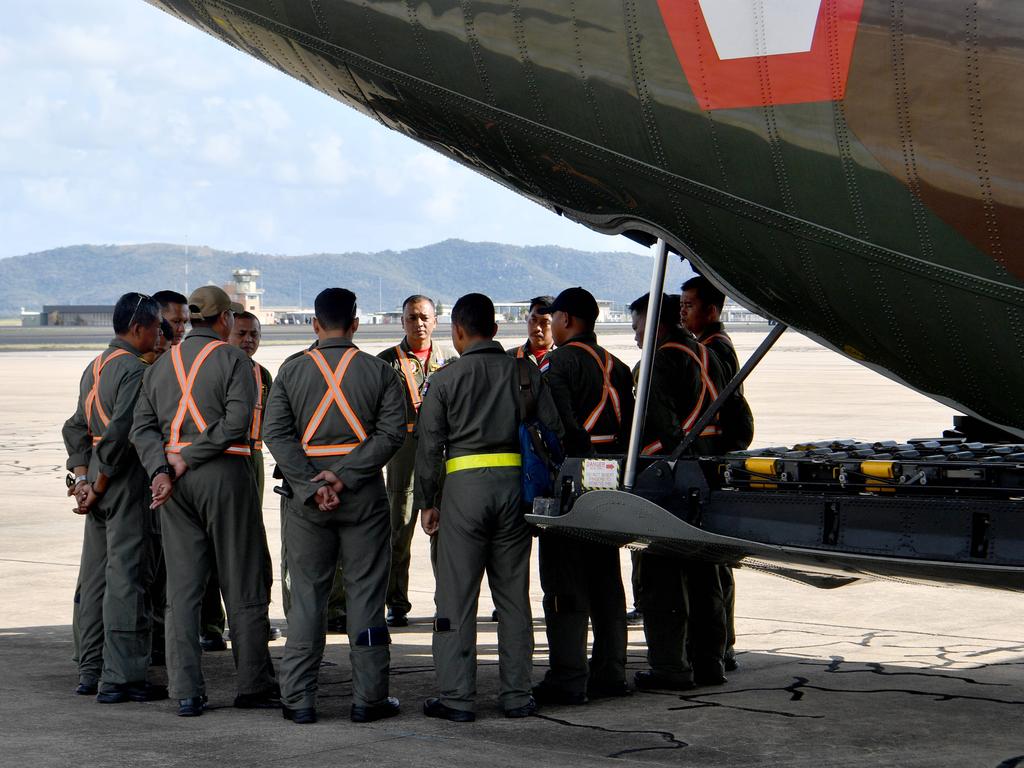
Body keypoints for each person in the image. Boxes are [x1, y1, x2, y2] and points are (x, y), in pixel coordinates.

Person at [131, 285, 278, 717]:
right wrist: (189, 459)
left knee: (182, 591)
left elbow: (141, 428)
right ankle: (253, 684)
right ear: (225, 320)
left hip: (173, 487)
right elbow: (236, 422)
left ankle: (187, 691)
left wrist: (162, 469)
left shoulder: (158, 367)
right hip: (223, 474)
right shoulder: (235, 360)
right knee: (243, 582)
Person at [416, 293, 563, 721]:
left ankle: (457, 698)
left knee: (457, 597)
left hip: (463, 492)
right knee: (514, 597)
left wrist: (429, 500)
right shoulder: (525, 371)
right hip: (515, 490)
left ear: (457, 332)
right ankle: (517, 695)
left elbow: (429, 450)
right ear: (496, 330)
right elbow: (552, 431)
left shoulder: (444, 380)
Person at [263, 288, 406, 725]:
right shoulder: (379, 371)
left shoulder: (291, 372)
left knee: (307, 597)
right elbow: (392, 433)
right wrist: (344, 475)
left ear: (314, 324)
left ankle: (299, 700)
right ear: (356, 322)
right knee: (366, 596)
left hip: (307, 501)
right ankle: (369, 699)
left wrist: (311, 483)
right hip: (362, 495)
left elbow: (275, 433)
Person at [62, 292, 166, 703]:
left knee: (96, 578)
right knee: (128, 578)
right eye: (157, 327)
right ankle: (122, 677)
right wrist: (100, 482)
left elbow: (75, 427)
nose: (161, 335)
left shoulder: (95, 367)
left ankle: (90, 669)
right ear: (138, 328)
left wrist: (83, 478)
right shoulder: (134, 371)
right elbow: (123, 433)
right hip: (122, 482)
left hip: (96, 482)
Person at [533, 287, 634, 704]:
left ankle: (568, 676)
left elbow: (556, 425)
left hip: (572, 482)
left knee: (564, 583)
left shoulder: (558, 363)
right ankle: (610, 672)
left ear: (568, 321)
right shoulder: (620, 367)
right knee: (607, 579)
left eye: (554, 317)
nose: (550, 324)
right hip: (611, 478)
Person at [629, 292, 729, 691]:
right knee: (705, 576)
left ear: (656, 323)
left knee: (661, 577)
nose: (636, 337)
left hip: (668, 483)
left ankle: (670, 667)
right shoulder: (712, 357)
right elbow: (741, 422)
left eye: (637, 327)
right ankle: (710, 662)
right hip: (708, 477)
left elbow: (659, 430)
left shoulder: (658, 362)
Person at [681, 275, 751, 671]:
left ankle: (719, 643)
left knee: (712, 564)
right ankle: (722, 640)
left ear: (711, 310)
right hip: (719, 456)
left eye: (689, 305)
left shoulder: (712, 349)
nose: (683, 311)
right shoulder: (714, 345)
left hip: (712, 458)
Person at [377, 295, 456, 627]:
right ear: (403, 321)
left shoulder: (451, 361)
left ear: (435, 321)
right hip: (404, 452)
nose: (418, 323)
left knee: (447, 531)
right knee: (400, 527)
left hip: (443, 452)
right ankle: (396, 600)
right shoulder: (386, 363)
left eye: (424, 317)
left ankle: (447, 600)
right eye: (412, 318)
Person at [227, 311, 281, 643]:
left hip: (254, 456)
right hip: (224, 457)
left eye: (255, 335)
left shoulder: (263, 375)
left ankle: (252, 619)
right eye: (242, 333)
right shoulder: (216, 369)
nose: (249, 340)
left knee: (253, 540)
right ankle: (211, 624)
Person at [507, 295, 555, 365]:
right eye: (533, 320)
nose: (537, 328)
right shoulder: (510, 357)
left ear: (556, 324)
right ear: (527, 319)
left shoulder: (565, 358)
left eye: (545, 322)